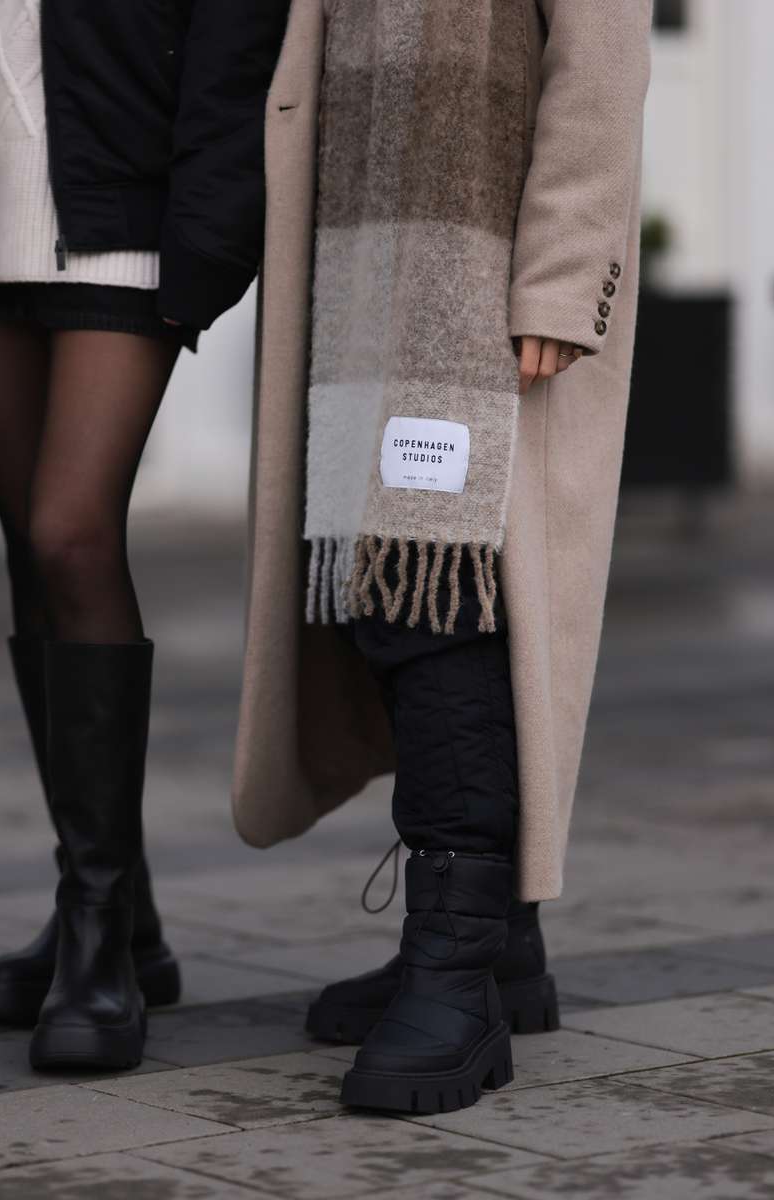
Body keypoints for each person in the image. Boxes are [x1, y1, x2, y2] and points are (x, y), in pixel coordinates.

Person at [232, 0, 652, 1113]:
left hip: (485, 273)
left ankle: (454, 974)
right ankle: (499, 946)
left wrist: (565, 272)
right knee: (387, 591)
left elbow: (604, 61)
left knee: (442, 598)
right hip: (358, 263)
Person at [0, 0, 290, 1070]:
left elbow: (237, 45)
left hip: (125, 225)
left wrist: (209, 243)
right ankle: (112, 915)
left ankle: (99, 925)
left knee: (69, 536)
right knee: (32, 556)